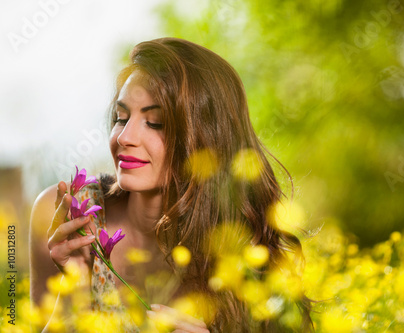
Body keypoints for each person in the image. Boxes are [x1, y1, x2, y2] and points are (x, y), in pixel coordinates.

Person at [30, 37, 312, 332]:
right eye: (121, 117)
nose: (125, 137)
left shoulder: (256, 254)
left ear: (207, 139)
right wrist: (73, 291)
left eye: (156, 123)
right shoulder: (68, 219)